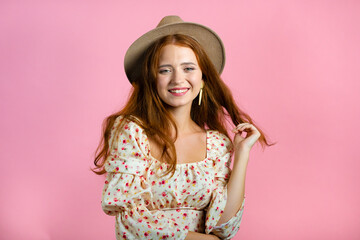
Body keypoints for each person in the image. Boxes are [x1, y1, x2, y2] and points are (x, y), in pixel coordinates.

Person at [92, 15, 274, 240]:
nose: (178, 79)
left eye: (188, 68)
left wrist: (242, 153)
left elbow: (223, 228)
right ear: (151, 79)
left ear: (203, 79)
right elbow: (131, 222)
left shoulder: (217, 144)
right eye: (165, 70)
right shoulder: (131, 132)